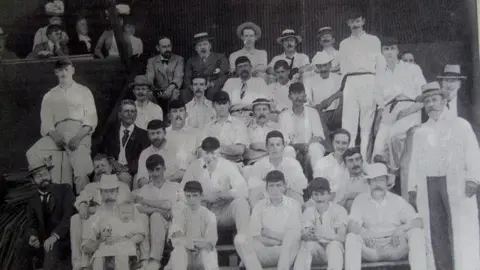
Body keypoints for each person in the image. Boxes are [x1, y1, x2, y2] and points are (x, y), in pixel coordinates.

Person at [407, 81, 480, 270]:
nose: (431, 104)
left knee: (460, 229)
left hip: (456, 183)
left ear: (444, 100)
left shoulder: (460, 125)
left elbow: (473, 152)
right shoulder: (420, 132)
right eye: (427, 101)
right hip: (429, 184)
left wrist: (473, 178)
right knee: (435, 231)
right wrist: (412, 187)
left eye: (434, 99)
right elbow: (414, 161)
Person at [26, 58, 97, 193]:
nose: (63, 73)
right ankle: (48, 183)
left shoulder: (84, 91)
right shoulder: (50, 95)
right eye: (60, 70)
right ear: (55, 73)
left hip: (79, 132)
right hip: (57, 134)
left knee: (81, 172)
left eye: (66, 69)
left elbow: (91, 119)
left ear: (73, 70)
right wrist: (54, 134)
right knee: (32, 152)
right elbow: (46, 121)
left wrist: (78, 138)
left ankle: (83, 205)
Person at [345, 163, 427, 270]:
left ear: (387, 182)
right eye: (374, 180)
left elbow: (418, 221)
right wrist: (363, 232)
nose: (378, 184)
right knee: (351, 238)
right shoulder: (361, 200)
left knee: (417, 233)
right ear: (369, 182)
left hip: (395, 246)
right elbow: (351, 224)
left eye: (381, 180)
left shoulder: (397, 200)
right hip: (371, 247)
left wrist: (401, 229)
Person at [337, 9, 385, 159]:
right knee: (348, 124)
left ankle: (364, 160)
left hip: (368, 81)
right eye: (352, 21)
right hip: (350, 82)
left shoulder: (373, 40)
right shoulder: (343, 44)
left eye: (358, 21)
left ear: (363, 21)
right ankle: (348, 160)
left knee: (366, 125)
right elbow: (341, 68)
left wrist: (378, 90)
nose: (355, 24)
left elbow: (380, 66)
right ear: (347, 24)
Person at [371, 37, 426, 166]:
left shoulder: (412, 68)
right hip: (388, 114)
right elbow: (380, 104)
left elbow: (423, 97)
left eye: (392, 48)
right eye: (386, 49)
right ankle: (386, 181)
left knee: (394, 137)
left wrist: (408, 111)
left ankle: (399, 171)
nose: (389, 52)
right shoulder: (380, 75)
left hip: (409, 110)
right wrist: (377, 124)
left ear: (397, 51)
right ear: (381, 52)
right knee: (377, 153)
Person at [181, 137, 250, 236]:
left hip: (223, 212)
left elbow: (243, 191)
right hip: (202, 213)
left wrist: (221, 195)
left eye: (213, 153)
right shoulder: (195, 166)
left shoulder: (228, 165)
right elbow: (181, 193)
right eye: (206, 153)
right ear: (201, 152)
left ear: (219, 151)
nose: (210, 157)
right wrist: (203, 198)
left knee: (241, 203)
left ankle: (243, 239)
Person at [14, 157, 74, 270]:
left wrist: (54, 236)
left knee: (51, 250)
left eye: (45, 173)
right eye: (38, 175)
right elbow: (31, 224)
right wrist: (33, 236)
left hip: (62, 240)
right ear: (32, 180)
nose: (43, 177)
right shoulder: (33, 200)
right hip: (42, 242)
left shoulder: (64, 189)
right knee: (20, 246)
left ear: (49, 173)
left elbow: (69, 216)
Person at [234, 170, 302, 270]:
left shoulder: (294, 205)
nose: (275, 189)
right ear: (266, 188)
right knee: (239, 239)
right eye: (271, 186)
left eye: (278, 185)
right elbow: (255, 236)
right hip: (264, 251)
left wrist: (269, 233)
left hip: (287, 252)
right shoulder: (259, 206)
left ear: (284, 187)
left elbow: (294, 237)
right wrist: (276, 240)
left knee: (293, 239)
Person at [71, 164, 131, 270]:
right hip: (97, 221)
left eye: (103, 165)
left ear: (111, 167)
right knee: (76, 219)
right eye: (97, 166)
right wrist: (82, 204)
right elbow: (81, 200)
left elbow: (122, 205)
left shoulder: (122, 186)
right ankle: (80, 262)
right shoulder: (90, 186)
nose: (100, 168)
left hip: (117, 219)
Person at [82, 176, 144, 270]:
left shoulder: (129, 209)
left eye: (112, 191)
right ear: (101, 193)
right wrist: (100, 240)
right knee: (100, 260)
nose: (109, 195)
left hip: (126, 251)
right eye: (106, 191)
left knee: (122, 258)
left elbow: (140, 234)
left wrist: (123, 240)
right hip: (105, 252)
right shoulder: (96, 216)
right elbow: (86, 247)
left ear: (117, 192)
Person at [133, 154, 182, 270]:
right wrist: (157, 209)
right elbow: (137, 208)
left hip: (170, 225)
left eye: (158, 169)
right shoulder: (145, 189)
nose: (155, 174)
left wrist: (146, 202)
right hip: (149, 227)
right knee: (144, 216)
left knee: (155, 216)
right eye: (151, 170)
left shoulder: (175, 186)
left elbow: (169, 205)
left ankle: (155, 260)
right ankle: (145, 259)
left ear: (164, 169)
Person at [294, 178, 347, 270]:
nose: (319, 198)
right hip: (317, 250)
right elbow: (306, 233)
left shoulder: (339, 210)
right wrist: (306, 234)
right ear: (312, 196)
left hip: (334, 249)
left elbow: (341, 237)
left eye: (322, 194)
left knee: (334, 246)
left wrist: (322, 235)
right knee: (306, 244)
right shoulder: (309, 211)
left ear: (329, 195)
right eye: (316, 194)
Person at [168, 181, 219, 270]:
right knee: (178, 252)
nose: (191, 199)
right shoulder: (180, 214)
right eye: (188, 196)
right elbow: (176, 239)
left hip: (202, 254)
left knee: (208, 254)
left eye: (195, 195)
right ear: (185, 196)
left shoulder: (210, 215)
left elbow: (209, 243)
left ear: (201, 196)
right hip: (186, 253)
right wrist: (193, 245)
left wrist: (189, 242)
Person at [246, 130, 306, 206]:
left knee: (296, 195)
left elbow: (303, 183)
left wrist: (284, 184)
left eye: (278, 145)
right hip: (267, 196)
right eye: (271, 145)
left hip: (287, 195)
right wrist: (272, 186)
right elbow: (252, 184)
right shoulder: (259, 164)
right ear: (266, 147)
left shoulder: (293, 163)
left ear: (283, 146)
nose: (275, 148)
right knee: (255, 193)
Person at [278, 82, 326, 175]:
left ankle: (318, 180)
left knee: (315, 148)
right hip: (293, 148)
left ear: (305, 95)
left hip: (310, 147)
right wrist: (298, 146)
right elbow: (283, 139)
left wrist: (307, 146)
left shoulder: (313, 112)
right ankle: (292, 183)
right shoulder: (283, 115)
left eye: (300, 93)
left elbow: (319, 135)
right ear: (289, 97)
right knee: (288, 151)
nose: (297, 97)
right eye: (294, 94)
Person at [102, 99, 150, 183]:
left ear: (136, 115)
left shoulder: (143, 135)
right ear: (119, 115)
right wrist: (115, 167)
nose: (130, 114)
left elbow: (144, 158)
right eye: (126, 111)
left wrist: (126, 169)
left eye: (132, 111)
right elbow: (104, 152)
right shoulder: (110, 132)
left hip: (132, 171)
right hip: (111, 169)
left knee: (125, 180)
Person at [89, 202, 145, 270]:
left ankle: (132, 264)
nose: (126, 215)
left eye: (128, 213)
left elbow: (140, 235)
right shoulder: (112, 222)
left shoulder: (132, 224)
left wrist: (128, 240)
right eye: (123, 213)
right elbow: (105, 234)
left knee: (123, 257)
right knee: (101, 257)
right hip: (110, 246)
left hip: (126, 246)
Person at [197, 91, 249, 163]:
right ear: (213, 105)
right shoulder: (207, 127)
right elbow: (200, 152)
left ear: (229, 104)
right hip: (212, 164)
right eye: (219, 103)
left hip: (233, 165)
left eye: (224, 103)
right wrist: (228, 153)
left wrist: (212, 149)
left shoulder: (239, 124)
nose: (222, 106)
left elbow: (240, 150)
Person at [135, 119, 189, 189]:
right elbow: (142, 178)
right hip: (152, 190)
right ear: (148, 135)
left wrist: (164, 183)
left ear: (165, 133)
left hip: (173, 188)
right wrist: (151, 189)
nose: (155, 137)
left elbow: (183, 172)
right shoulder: (145, 153)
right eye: (152, 134)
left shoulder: (177, 149)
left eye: (158, 133)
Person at [223, 56, 269, 125]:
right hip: (233, 117)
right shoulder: (230, 82)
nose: (243, 68)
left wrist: (242, 106)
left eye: (245, 65)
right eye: (240, 67)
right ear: (236, 70)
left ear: (251, 67)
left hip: (253, 117)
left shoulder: (260, 82)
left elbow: (265, 102)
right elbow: (224, 102)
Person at [184, 32, 229, 101]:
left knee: (213, 91)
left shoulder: (220, 57)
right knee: (185, 93)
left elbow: (224, 75)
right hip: (197, 86)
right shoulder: (190, 61)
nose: (202, 47)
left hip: (213, 86)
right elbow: (187, 78)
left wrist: (213, 83)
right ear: (195, 48)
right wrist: (191, 87)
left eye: (205, 44)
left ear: (210, 46)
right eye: (199, 45)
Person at [146, 36, 184, 105]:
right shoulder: (151, 61)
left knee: (175, 92)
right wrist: (155, 90)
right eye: (164, 47)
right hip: (158, 90)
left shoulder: (179, 59)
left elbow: (178, 77)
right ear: (158, 48)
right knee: (148, 93)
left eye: (169, 46)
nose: (167, 49)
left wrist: (169, 90)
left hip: (172, 89)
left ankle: (172, 113)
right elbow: (149, 78)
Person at [313, 129, 350, 196]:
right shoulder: (322, 163)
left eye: (344, 143)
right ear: (332, 143)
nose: (340, 146)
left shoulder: (351, 161)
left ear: (348, 144)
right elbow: (318, 190)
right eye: (337, 142)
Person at [244, 98, 282, 163]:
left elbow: (283, 148)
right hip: (255, 164)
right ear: (253, 112)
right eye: (258, 110)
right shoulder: (247, 130)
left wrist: (257, 146)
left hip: (276, 163)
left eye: (264, 109)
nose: (261, 112)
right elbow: (246, 154)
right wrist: (271, 151)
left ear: (269, 111)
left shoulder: (277, 127)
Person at [334, 147, 370, 211]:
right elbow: (337, 206)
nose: (355, 164)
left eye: (357, 159)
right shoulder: (343, 182)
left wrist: (350, 195)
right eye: (350, 161)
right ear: (345, 164)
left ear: (362, 161)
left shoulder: (371, 178)